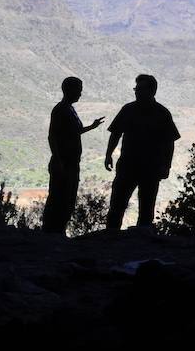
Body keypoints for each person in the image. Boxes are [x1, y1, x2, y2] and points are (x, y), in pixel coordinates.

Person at [104, 74, 181, 230]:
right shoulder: (129, 109)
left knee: (146, 209)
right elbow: (116, 133)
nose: (136, 92)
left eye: (140, 89)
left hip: (150, 168)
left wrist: (167, 166)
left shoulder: (162, 113)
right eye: (136, 89)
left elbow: (169, 143)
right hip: (128, 166)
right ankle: (111, 239)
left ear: (152, 91)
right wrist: (108, 154)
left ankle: (140, 243)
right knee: (117, 205)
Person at [40, 76, 105, 233]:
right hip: (64, 163)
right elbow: (52, 136)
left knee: (67, 198)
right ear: (69, 90)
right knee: (58, 198)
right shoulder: (61, 110)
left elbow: (75, 132)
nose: (80, 94)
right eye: (78, 90)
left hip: (70, 162)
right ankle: (51, 232)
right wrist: (58, 159)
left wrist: (92, 126)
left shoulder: (69, 109)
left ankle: (58, 231)